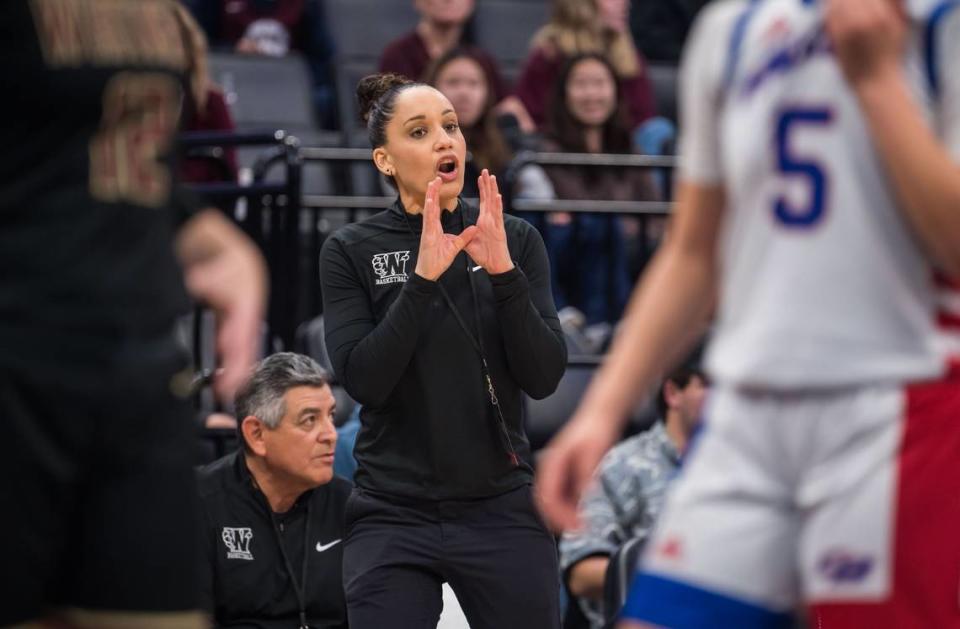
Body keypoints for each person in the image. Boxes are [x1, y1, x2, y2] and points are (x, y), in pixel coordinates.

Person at [537, 0, 960, 627]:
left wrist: (875, 81)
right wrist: (602, 410)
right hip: (748, 412)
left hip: (892, 404)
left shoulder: (939, 23)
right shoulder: (730, 32)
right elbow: (692, 252)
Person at [1, 2, 267, 627]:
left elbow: (96, 157)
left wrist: (203, 236)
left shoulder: (157, 13)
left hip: (136, 372)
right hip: (19, 360)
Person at [320, 73, 567, 629]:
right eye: (421, 130)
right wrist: (423, 280)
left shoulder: (513, 238)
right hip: (392, 510)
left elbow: (545, 374)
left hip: (499, 504)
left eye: (451, 126)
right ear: (385, 161)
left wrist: (503, 273)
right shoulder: (350, 250)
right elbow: (364, 380)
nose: (445, 140)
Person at [197, 352, 350, 628]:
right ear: (257, 435)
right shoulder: (199, 503)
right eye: (309, 420)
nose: (331, 434)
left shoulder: (350, 504)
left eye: (331, 416)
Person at [560, 365, 707, 629]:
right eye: (707, 385)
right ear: (673, 393)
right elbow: (581, 574)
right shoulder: (622, 465)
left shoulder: (746, 469)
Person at [539, 53, 660, 337]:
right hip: (578, 258)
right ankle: (602, 328)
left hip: (633, 249)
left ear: (615, 91)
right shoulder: (549, 151)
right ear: (564, 93)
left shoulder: (630, 149)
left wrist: (632, 230)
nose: (591, 94)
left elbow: (655, 214)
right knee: (601, 223)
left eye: (600, 83)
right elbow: (579, 212)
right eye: (581, 84)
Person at [379, 0, 533, 131]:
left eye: (472, 83)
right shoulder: (397, 56)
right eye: (454, 82)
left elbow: (513, 111)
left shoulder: (482, 59)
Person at [425, 45, 555, 200]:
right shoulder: (416, 145)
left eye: (473, 83)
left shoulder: (505, 143)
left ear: (488, 93)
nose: (464, 93)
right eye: (453, 82)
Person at [515, 0, 655, 132]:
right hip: (561, 150)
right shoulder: (549, 56)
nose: (624, 3)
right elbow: (534, 121)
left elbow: (642, 119)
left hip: (621, 150)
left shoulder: (628, 55)